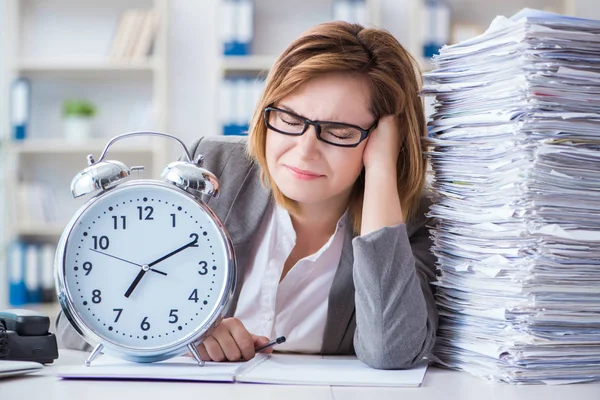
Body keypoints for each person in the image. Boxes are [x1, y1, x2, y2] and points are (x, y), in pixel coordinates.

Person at [56, 20, 438, 369]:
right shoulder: (215, 169)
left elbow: (392, 351)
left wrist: (384, 173)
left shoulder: (414, 220)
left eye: (339, 132)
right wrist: (180, 334)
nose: (304, 150)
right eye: (289, 120)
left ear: (384, 141)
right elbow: (74, 324)